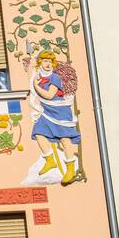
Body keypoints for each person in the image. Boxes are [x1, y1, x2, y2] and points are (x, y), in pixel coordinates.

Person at [29, 51, 80, 185]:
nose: (48, 64)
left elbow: (49, 95)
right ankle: (50, 160)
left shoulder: (55, 77)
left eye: (50, 61)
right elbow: (33, 83)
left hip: (59, 111)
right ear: (40, 63)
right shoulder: (39, 76)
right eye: (45, 61)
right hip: (47, 111)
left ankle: (70, 169)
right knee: (38, 133)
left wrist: (36, 86)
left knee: (64, 138)